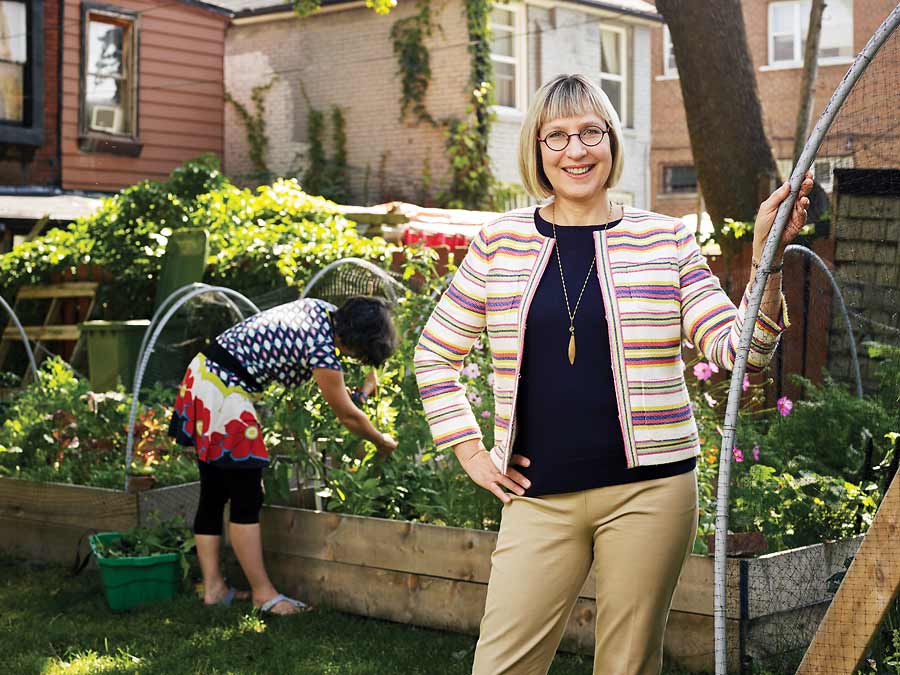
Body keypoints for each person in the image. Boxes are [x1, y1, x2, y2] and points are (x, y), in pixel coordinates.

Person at [414, 73, 814, 674]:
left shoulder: (666, 240)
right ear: (538, 149)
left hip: (650, 493)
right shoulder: (499, 242)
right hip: (537, 495)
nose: (576, 151)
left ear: (611, 141)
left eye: (590, 133)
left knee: (627, 666)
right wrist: (470, 450)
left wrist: (767, 262)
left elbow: (739, 355)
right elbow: (435, 352)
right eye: (557, 137)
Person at [169, 295, 399, 615]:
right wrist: (380, 440)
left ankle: (213, 588)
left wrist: (360, 391)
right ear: (357, 340)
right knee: (246, 495)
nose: (355, 359)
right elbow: (345, 414)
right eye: (361, 354)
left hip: (203, 376)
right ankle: (264, 595)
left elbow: (335, 386)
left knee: (215, 491)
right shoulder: (322, 347)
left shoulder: (319, 312)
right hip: (224, 391)